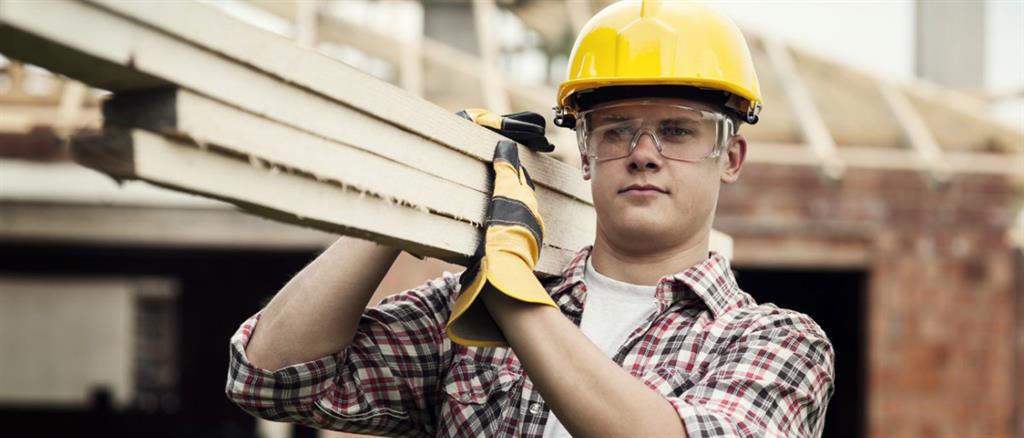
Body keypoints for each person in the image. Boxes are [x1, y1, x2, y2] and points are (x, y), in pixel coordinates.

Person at [225, 1, 835, 436]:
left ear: (730, 157)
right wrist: (409, 200)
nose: (643, 152)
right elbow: (269, 376)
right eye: (616, 129)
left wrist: (510, 295)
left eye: (676, 130)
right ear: (587, 154)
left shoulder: (777, 343)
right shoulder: (465, 312)